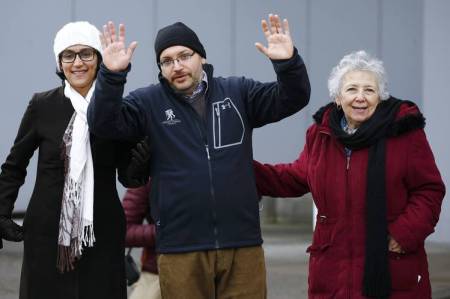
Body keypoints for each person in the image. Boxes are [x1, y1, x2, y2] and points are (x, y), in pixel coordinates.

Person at [87, 14, 311, 299]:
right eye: (167, 61)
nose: (177, 66)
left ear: (201, 57)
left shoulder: (238, 92)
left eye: (184, 56)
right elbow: (103, 123)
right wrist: (112, 75)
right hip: (180, 249)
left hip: (242, 243)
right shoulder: (148, 103)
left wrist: (287, 63)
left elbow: (293, 97)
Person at [254, 50, 446, 298]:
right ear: (337, 97)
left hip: (391, 264)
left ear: (380, 97)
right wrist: (241, 168)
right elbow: (296, 176)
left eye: (369, 90)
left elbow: (429, 190)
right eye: (352, 89)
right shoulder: (321, 135)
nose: (360, 98)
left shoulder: (404, 132)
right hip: (332, 272)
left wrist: (404, 233)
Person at [0, 21, 141, 299]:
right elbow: (15, 165)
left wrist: (144, 154)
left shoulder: (118, 109)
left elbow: (129, 175)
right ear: (59, 62)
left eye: (86, 53)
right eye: (69, 55)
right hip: (46, 233)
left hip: (102, 230)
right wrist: (1, 210)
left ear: (99, 60)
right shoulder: (42, 105)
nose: (77, 62)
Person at [123, 180, 161, 299]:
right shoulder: (149, 174)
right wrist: (163, 232)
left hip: (206, 267)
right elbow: (124, 230)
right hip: (155, 271)